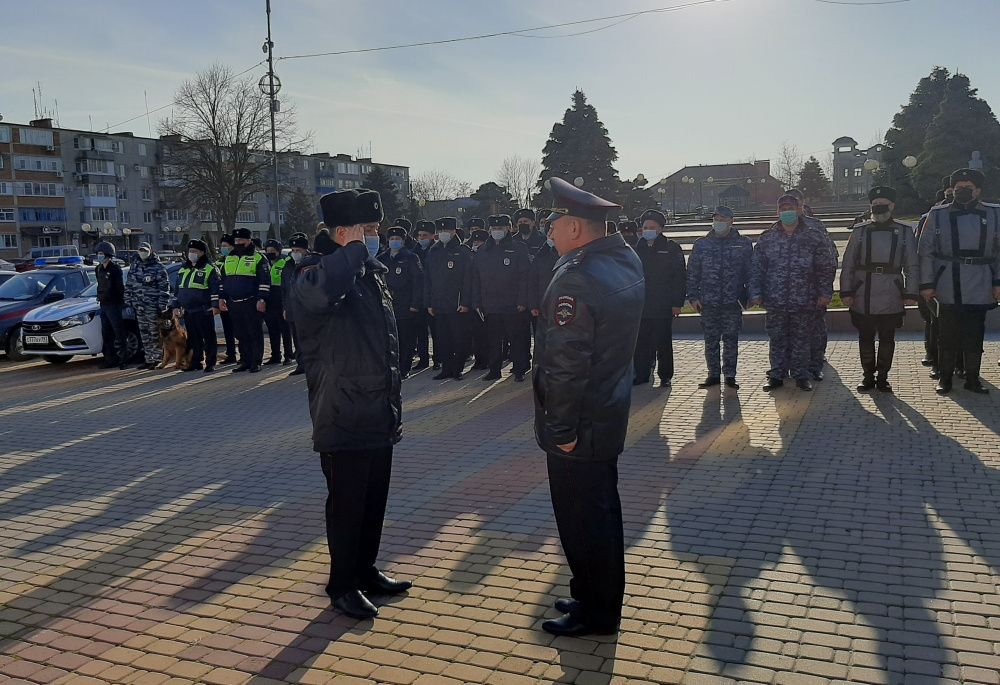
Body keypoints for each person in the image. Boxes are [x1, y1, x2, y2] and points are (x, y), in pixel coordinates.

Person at [289, 188, 410, 621]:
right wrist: (354, 252)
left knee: (374, 498)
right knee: (347, 503)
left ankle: (365, 569)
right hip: (341, 410)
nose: (377, 238)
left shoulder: (367, 272)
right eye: (369, 231)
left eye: (376, 231)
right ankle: (342, 583)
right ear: (343, 233)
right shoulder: (312, 274)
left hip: (377, 406)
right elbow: (321, 296)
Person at [533, 177, 644, 637]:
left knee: (584, 520)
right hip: (607, 409)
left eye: (554, 224)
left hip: (580, 423)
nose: (550, 233)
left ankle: (597, 612)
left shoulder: (577, 278)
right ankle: (591, 594)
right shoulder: (623, 258)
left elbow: (565, 366)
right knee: (600, 513)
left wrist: (561, 430)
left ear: (576, 228)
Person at [918, 168, 1000, 395]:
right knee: (947, 334)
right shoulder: (938, 214)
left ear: (978, 191)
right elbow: (925, 251)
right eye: (958, 189)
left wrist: (997, 281)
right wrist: (927, 284)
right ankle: (945, 378)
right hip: (948, 281)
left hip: (981, 279)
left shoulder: (995, 214)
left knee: (975, 333)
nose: (962, 192)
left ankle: (972, 379)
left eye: (968, 189)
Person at [750, 195, 837, 391]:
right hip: (775, 299)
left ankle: (801, 375)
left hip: (805, 298)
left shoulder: (814, 236)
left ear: (800, 209)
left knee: (801, 339)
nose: (787, 211)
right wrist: (755, 292)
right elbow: (757, 267)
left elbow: (826, 266)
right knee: (777, 338)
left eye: (791, 207)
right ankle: (777, 375)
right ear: (777, 212)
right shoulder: (768, 237)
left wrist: (825, 293)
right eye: (783, 208)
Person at [840, 187, 918, 393]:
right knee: (865, 337)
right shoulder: (860, 231)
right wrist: (846, 291)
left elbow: (912, 265)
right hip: (863, 291)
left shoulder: (904, 231)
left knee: (887, 338)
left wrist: (910, 293)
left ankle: (883, 376)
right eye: (876, 204)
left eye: (884, 204)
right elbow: (848, 263)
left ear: (892, 206)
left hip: (891, 291)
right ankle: (867, 376)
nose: (880, 208)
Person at [686, 206, 752, 390]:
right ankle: (713, 374)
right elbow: (692, 273)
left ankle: (730, 375)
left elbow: (751, 272)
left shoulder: (743, 243)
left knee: (731, 340)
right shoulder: (702, 244)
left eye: (723, 219)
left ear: (731, 221)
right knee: (711, 340)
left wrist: (751, 296)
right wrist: (693, 297)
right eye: (716, 219)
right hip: (709, 302)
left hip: (733, 302)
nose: (719, 222)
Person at [785, 188, 838, 382]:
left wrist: (824, 288)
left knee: (815, 331)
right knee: (790, 333)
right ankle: (792, 366)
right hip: (788, 294)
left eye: (796, 202)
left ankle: (815, 365)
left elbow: (830, 256)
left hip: (813, 292)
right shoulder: (781, 228)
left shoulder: (816, 226)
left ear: (802, 204)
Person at [632, 209, 686, 387]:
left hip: (663, 304)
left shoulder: (671, 248)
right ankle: (641, 373)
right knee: (641, 342)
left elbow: (679, 277)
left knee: (663, 342)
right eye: (645, 227)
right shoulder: (635, 248)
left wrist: (677, 303)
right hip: (641, 305)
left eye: (652, 227)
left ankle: (665, 375)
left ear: (660, 228)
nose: (648, 230)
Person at [475, 214, 531, 382]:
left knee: (516, 339)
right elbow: (476, 278)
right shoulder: (483, 250)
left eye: (500, 228)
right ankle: (494, 370)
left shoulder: (518, 248)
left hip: (513, 304)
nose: (497, 231)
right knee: (493, 340)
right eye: (494, 229)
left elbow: (525, 276)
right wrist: (477, 302)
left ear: (509, 229)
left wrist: (522, 301)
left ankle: (519, 369)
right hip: (491, 304)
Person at [424, 217, 476, 380]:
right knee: (442, 339)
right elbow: (428, 279)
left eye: (446, 231)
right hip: (439, 304)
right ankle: (446, 368)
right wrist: (429, 303)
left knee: (458, 339)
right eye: (440, 231)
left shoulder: (462, 251)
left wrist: (465, 302)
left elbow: (469, 279)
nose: (443, 234)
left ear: (454, 231)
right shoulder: (434, 251)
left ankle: (457, 368)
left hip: (457, 304)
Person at [219, 227, 270, 373]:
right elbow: (223, 280)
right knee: (240, 333)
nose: (238, 242)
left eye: (241, 240)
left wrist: (262, 299)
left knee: (254, 332)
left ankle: (256, 361)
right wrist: (222, 298)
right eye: (236, 240)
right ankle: (245, 361)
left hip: (251, 301)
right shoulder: (229, 257)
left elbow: (265, 280)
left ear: (249, 240)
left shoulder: (258, 257)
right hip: (234, 302)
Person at [378, 225, 425, 379]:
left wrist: (414, 304)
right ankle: (392, 367)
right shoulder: (382, 258)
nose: (394, 241)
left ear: (403, 241)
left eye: (397, 239)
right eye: (392, 239)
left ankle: (404, 368)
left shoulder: (411, 258)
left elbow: (418, 283)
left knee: (406, 339)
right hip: (388, 305)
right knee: (390, 340)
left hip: (406, 305)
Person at [172, 239, 221, 373]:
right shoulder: (183, 268)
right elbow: (178, 290)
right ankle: (196, 362)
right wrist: (175, 306)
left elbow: (215, 289)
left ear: (202, 253)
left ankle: (210, 362)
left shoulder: (209, 268)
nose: (191, 253)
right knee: (193, 339)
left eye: (195, 251)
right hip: (188, 310)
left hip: (203, 309)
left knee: (208, 337)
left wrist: (215, 305)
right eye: (190, 251)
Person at [125, 242, 171, 370]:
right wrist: (128, 301)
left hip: (153, 306)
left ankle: (156, 358)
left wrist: (162, 306)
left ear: (150, 251)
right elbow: (129, 286)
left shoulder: (158, 268)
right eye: (140, 250)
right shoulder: (134, 267)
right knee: (144, 334)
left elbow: (164, 288)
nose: (142, 252)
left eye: (145, 250)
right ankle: (148, 358)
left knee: (154, 333)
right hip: (139, 306)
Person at [282, 233, 312, 376]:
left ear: (305, 250)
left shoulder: (313, 262)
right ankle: (301, 364)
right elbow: (284, 288)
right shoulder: (288, 265)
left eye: (298, 250)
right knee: (297, 337)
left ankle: (313, 364)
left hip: (309, 307)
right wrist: (285, 308)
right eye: (293, 250)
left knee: (311, 337)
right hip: (293, 307)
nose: (295, 253)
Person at [94, 241, 127, 370]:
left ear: (108, 254)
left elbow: (120, 288)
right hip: (103, 305)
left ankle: (123, 360)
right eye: (98, 253)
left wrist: (121, 302)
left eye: (101, 253)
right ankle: (110, 359)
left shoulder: (115, 269)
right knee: (106, 334)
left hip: (114, 305)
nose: (99, 256)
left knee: (119, 333)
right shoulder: (98, 269)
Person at [263, 239, 295, 366]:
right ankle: (275, 355)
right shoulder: (264, 262)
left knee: (285, 329)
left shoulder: (285, 262)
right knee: (272, 329)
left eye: (273, 251)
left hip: (280, 297)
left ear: (278, 251)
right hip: (269, 298)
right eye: (268, 251)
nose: (270, 253)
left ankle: (288, 354)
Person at [411, 220, 437, 371]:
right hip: (419, 298)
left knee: (436, 332)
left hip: (433, 298)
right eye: (419, 235)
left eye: (424, 235)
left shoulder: (437, 250)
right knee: (420, 332)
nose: (421, 238)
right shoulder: (414, 252)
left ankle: (438, 358)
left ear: (432, 236)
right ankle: (423, 358)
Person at [467, 228, 491, 370]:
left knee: (487, 334)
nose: (476, 244)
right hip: (471, 300)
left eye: (479, 241)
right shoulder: (469, 255)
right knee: (476, 334)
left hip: (486, 300)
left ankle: (488, 360)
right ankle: (479, 360)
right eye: (474, 241)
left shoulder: (487, 256)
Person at [216, 234, 238, 365]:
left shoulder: (236, 259)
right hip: (223, 299)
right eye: (222, 246)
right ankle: (231, 353)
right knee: (227, 329)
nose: (223, 248)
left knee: (239, 329)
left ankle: (245, 353)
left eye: (226, 246)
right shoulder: (219, 261)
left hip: (234, 298)